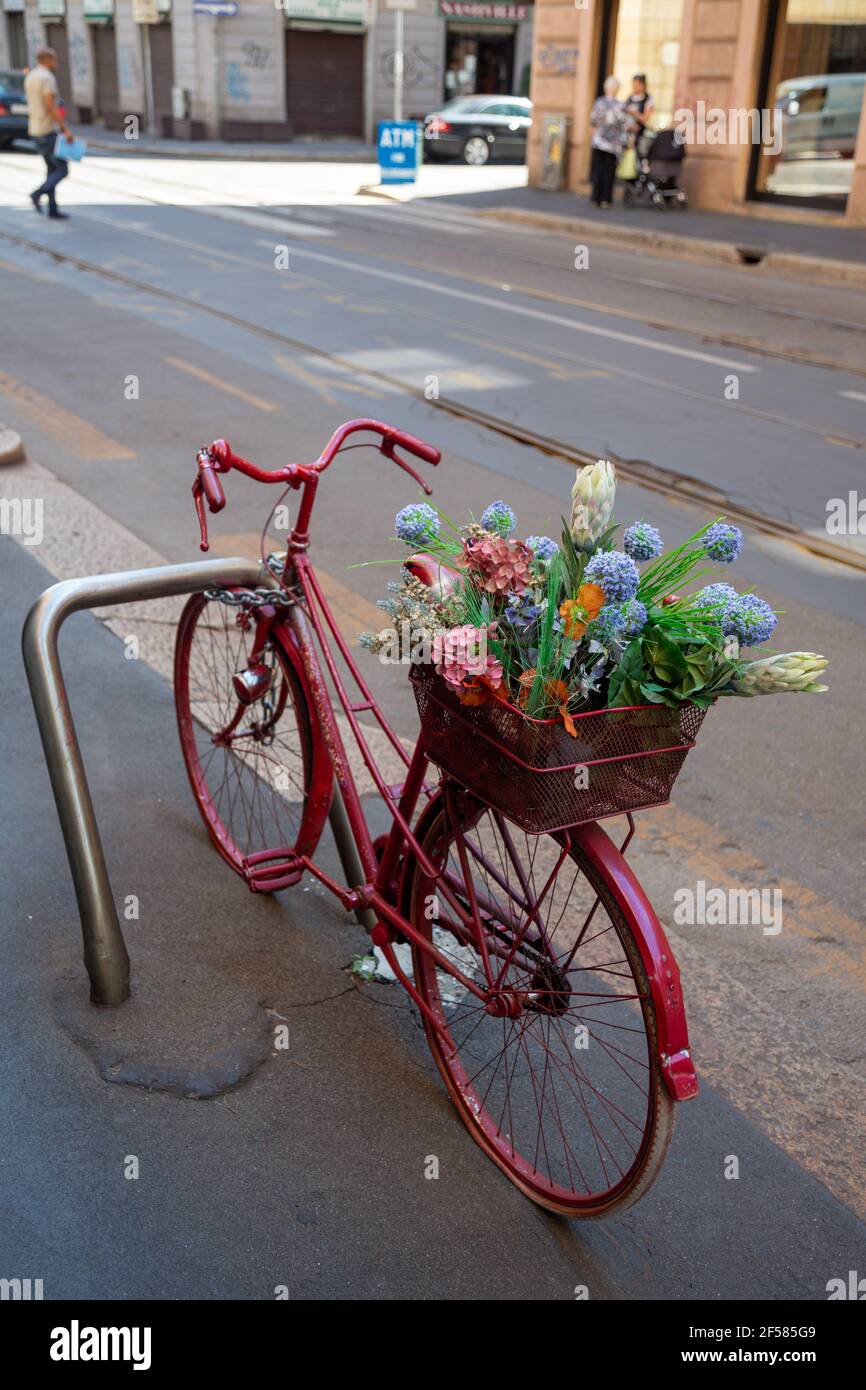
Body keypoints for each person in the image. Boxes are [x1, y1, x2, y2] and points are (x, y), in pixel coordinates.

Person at [25, 47, 71, 220]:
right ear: (48, 60)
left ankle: (52, 209)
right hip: (48, 130)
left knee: (51, 169)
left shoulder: (31, 76)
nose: (56, 62)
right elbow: (51, 106)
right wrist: (65, 129)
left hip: (35, 129)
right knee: (62, 169)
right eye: (55, 59)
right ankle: (38, 193)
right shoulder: (47, 78)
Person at [589, 76, 629, 208]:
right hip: (613, 144)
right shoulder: (620, 105)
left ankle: (596, 198)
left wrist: (594, 136)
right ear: (617, 89)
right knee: (609, 171)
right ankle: (606, 199)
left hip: (599, 141)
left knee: (598, 170)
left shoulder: (599, 102)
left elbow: (593, 121)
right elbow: (624, 125)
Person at [624, 73, 654, 142]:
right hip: (627, 132)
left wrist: (633, 112)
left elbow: (645, 119)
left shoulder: (648, 99)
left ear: (643, 85)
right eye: (633, 85)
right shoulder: (629, 98)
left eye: (637, 85)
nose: (635, 88)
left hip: (639, 134)